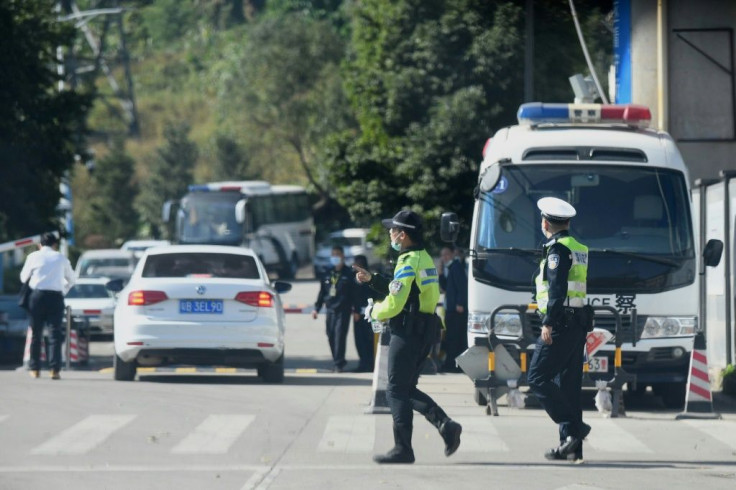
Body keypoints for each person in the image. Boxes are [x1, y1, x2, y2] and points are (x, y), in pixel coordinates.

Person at [354, 210, 462, 464]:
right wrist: (373, 280)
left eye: (392, 230)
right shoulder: (422, 258)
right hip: (423, 330)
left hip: (408, 331)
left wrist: (375, 311)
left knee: (395, 391)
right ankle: (446, 425)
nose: (389, 234)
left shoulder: (408, 261)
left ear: (402, 235)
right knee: (406, 388)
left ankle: (403, 448)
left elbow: (395, 302)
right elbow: (404, 290)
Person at [526, 197, 591, 462]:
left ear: (545, 223)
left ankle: (574, 430)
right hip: (577, 323)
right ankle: (571, 446)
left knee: (537, 378)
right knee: (569, 386)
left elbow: (556, 289)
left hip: (561, 322)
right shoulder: (578, 247)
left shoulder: (557, 250)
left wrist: (548, 322)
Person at [19, 232, 75, 380]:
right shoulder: (61, 258)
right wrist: (63, 289)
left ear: (40, 244)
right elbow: (72, 278)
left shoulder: (33, 257)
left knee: (36, 333)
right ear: (55, 244)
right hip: (55, 297)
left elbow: (23, 277)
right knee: (54, 334)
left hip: (36, 297)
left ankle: (35, 368)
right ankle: (54, 370)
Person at [312, 245, 354, 372]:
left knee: (339, 336)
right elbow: (322, 293)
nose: (335, 257)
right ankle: (336, 359)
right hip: (330, 309)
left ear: (343, 256)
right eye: (333, 254)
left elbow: (355, 294)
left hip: (343, 310)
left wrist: (356, 309)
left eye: (337, 254)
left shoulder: (349, 273)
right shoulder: (327, 273)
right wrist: (316, 308)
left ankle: (339, 363)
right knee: (330, 335)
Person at [350, 254, 384, 372]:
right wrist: (355, 310)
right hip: (358, 314)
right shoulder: (353, 279)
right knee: (360, 340)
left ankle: (372, 363)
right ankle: (363, 363)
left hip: (371, 314)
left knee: (371, 340)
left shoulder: (371, 279)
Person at [438, 245, 468, 372]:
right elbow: (446, 287)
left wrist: (460, 303)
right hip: (450, 309)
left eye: (447, 254)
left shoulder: (456, 267)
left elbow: (462, 287)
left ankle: (452, 365)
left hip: (456, 310)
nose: (444, 258)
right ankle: (452, 364)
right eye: (442, 255)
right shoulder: (450, 268)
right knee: (452, 337)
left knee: (454, 338)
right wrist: (440, 274)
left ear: (452, 254)